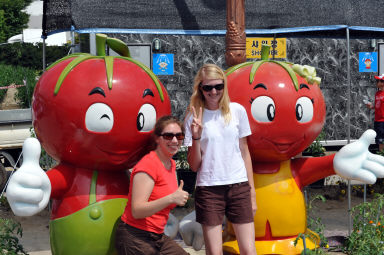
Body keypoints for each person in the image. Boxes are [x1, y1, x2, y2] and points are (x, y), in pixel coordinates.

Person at [184, 63, 257, 255]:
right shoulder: (193, 118)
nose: (214, 91)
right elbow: (193, 166)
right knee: (214, 252)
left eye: (218, 86)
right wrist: (196, 136)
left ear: (225, 86)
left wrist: (252, 194)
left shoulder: (237, 111)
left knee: (249, 250)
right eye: (208, 87)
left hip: (238, 185)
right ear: (200, 88)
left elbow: (245, 152)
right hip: (208, 188)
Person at [115, 115, 189, 255]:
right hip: (135, 236)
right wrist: (172, 198)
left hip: (157, 236)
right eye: (168, 136)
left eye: (179, 136)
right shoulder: (149, 164)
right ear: (157, 138)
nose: (174, 140)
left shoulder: (170, 163)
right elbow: (137, 211)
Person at [366, 74, 384, 152]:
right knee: (380, 140)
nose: (377, 82)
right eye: (377, 81)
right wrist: (371, 106)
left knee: (382, 140)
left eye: (379, 81)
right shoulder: (377, 93)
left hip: (383, 120)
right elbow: (377, 106)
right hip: (378, 120)